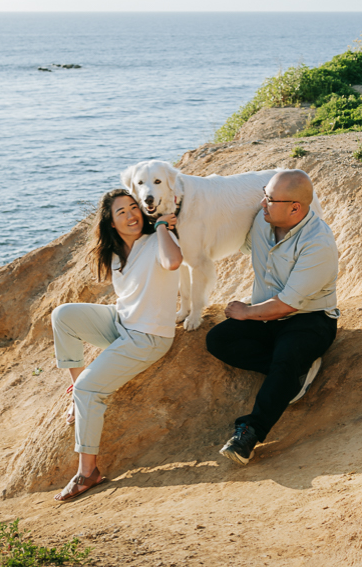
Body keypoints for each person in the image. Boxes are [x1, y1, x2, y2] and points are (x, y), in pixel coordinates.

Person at [51, 188, 182, 502]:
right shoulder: (114, 254)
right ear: (111, 223)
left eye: (134, 207)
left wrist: (163, 226)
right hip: (121, 323)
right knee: (63, 315)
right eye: (121, 212)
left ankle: (88, 472)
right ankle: (76, 396)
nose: (131, 215)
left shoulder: (157, 241)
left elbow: (174, 262)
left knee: (90, 389)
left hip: (148, 336)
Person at [206, 169, 339, 465]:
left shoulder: (318, 243)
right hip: (268, 317)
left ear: (295, 208)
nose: (262, 203)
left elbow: (288, 305)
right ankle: (292, 375)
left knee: (287, 354)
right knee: (218, 340)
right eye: (264, 195)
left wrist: (246, 312)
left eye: (269, 199)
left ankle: (249, 433)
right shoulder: (261, 223)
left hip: (309, 318)